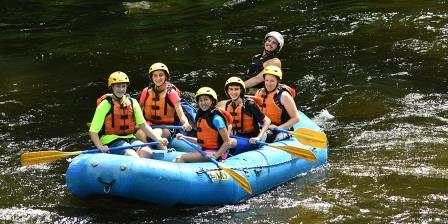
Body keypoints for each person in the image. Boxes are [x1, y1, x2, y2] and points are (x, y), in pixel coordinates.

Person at [89, 71, 168, 158]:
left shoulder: (132, 102)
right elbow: (93, 131)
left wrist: (158, 139)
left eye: (123, 86)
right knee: (132, 155)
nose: (121, 89)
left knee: (147, 152)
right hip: (111, 140)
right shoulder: (104, 105)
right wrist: (100, 146)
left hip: (130, 138)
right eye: (118, 86)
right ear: (112, 87)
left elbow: (143, 125)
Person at [135, 62, 193, 144]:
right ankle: (148, 151)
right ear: (151, 77)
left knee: (156, 132)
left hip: (167, 127)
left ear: (166, 76)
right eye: (155, 75)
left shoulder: (171, 93)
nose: (158, 78)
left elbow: (181, 114)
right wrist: (138, 123)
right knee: (140, 133)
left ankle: (161, 148)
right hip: (149, 124)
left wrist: (186, 123)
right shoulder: (146, 92)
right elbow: (139, 110)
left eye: (161, 75)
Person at [175, 87, 236, 163]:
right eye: (201, 100)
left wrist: (216, 155)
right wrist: (184, 137)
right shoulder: (201, 117)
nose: (203, 103)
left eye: (206, 99)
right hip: (206, 151)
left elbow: (227, 142)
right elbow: (201, 141)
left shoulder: (217, 119)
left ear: (212, 101)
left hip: (216, 153)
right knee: (177, 158)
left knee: (181, 158)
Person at [221, 76, 271, 154]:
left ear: (241, 90)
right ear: (227, 91)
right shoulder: (228, 104)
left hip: (251, 139)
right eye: (231, 89)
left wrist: (258, 137)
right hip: (238, 136)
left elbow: (267, 121)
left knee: (228, 142)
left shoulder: (249, 104)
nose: (233, 92)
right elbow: (229, 124)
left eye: (236, 89)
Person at [254, 65, 299, 143]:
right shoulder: (259, 92)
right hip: (264, 126)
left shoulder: (284, 95)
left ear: (277, 81)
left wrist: (278, 128)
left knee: (262, 136)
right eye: (266, 80)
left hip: (281, 129)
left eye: (272, 81)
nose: (269, 83)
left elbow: (296, 118)